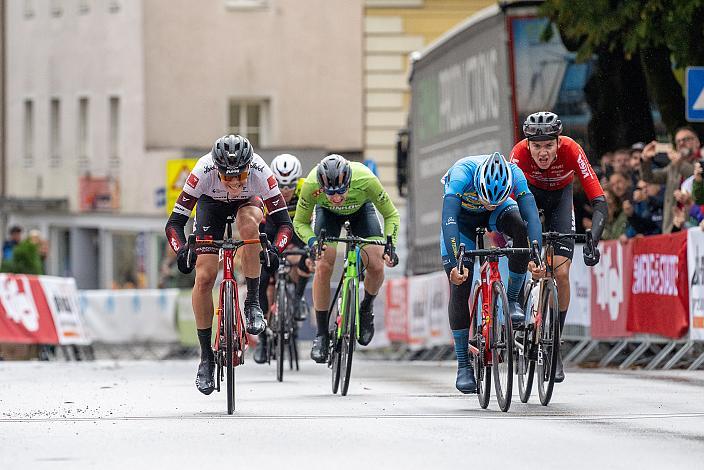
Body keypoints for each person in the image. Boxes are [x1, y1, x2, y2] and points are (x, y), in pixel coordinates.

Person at [165, 134, 292, 395]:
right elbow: (174, 224)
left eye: (240, 177)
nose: (234, 183)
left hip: (248, 205)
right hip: (210, 207)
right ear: (217, 170)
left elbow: (284, 225)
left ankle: (253, 303)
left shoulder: (260, 171)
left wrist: (275, 250)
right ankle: (205, 358)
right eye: (228, 177)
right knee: (205, 276)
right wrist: (181, 251)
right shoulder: (202, 172)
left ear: (249, 169)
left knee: (249, 226)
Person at [510, 111, 606, 383]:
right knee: (531, 255)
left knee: (560, 274)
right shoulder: (518, 153)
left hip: (560, 201)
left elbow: (599, 200)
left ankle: (554, 344)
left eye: (548, 145)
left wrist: (593, 240)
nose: (542, 152)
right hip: (529, 199)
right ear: (528, 145)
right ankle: (518, 303)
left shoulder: (572, 149)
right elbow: (510, 203)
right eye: (537, 146)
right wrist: (527, 247)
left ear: (558, 143)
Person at [441, 152, 542, 394]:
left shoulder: (515, 174)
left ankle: (514, 298)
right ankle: (463, 364)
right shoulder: (460, 174)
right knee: (460, 283)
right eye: (487, 199)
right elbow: (449, 219)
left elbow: (531, 217)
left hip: (500, 215)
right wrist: (458, 263)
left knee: (520, 227)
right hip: (462, 220)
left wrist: (536, 254)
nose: (489, 204)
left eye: (495, 199)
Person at [293, 154, 399, 363]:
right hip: (327, 216)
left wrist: (390, 245)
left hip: (361, 212)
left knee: (376, 264)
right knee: (323, 264)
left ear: (349, 181)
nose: (336, 198)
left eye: (341, 191)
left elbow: (391, 214)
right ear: (321, 186)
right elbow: (300, 222)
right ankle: (322, 334)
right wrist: (313, 242)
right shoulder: (312, 183)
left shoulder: (366, 179)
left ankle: (366, 307)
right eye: (330, 193)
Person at [253, 153, 314, 364]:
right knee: (261, 281)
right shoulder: (264, 190)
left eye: (290, 185)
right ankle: (262, 340)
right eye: (281, 185)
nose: (286, 190)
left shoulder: (307, 188)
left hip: (297, 229)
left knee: (306, 257)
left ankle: (297, 299)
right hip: (271, 229)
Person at [640, 127, 699, 233]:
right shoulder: (673, 166)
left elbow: (696, 175)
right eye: (678, 141)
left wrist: (679, 163)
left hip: (695, 224)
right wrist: (646, 159)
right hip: (672, 226)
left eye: (686, 139)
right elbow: (649, 177)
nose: (681, 143)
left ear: (697, 142)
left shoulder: (700, 162)